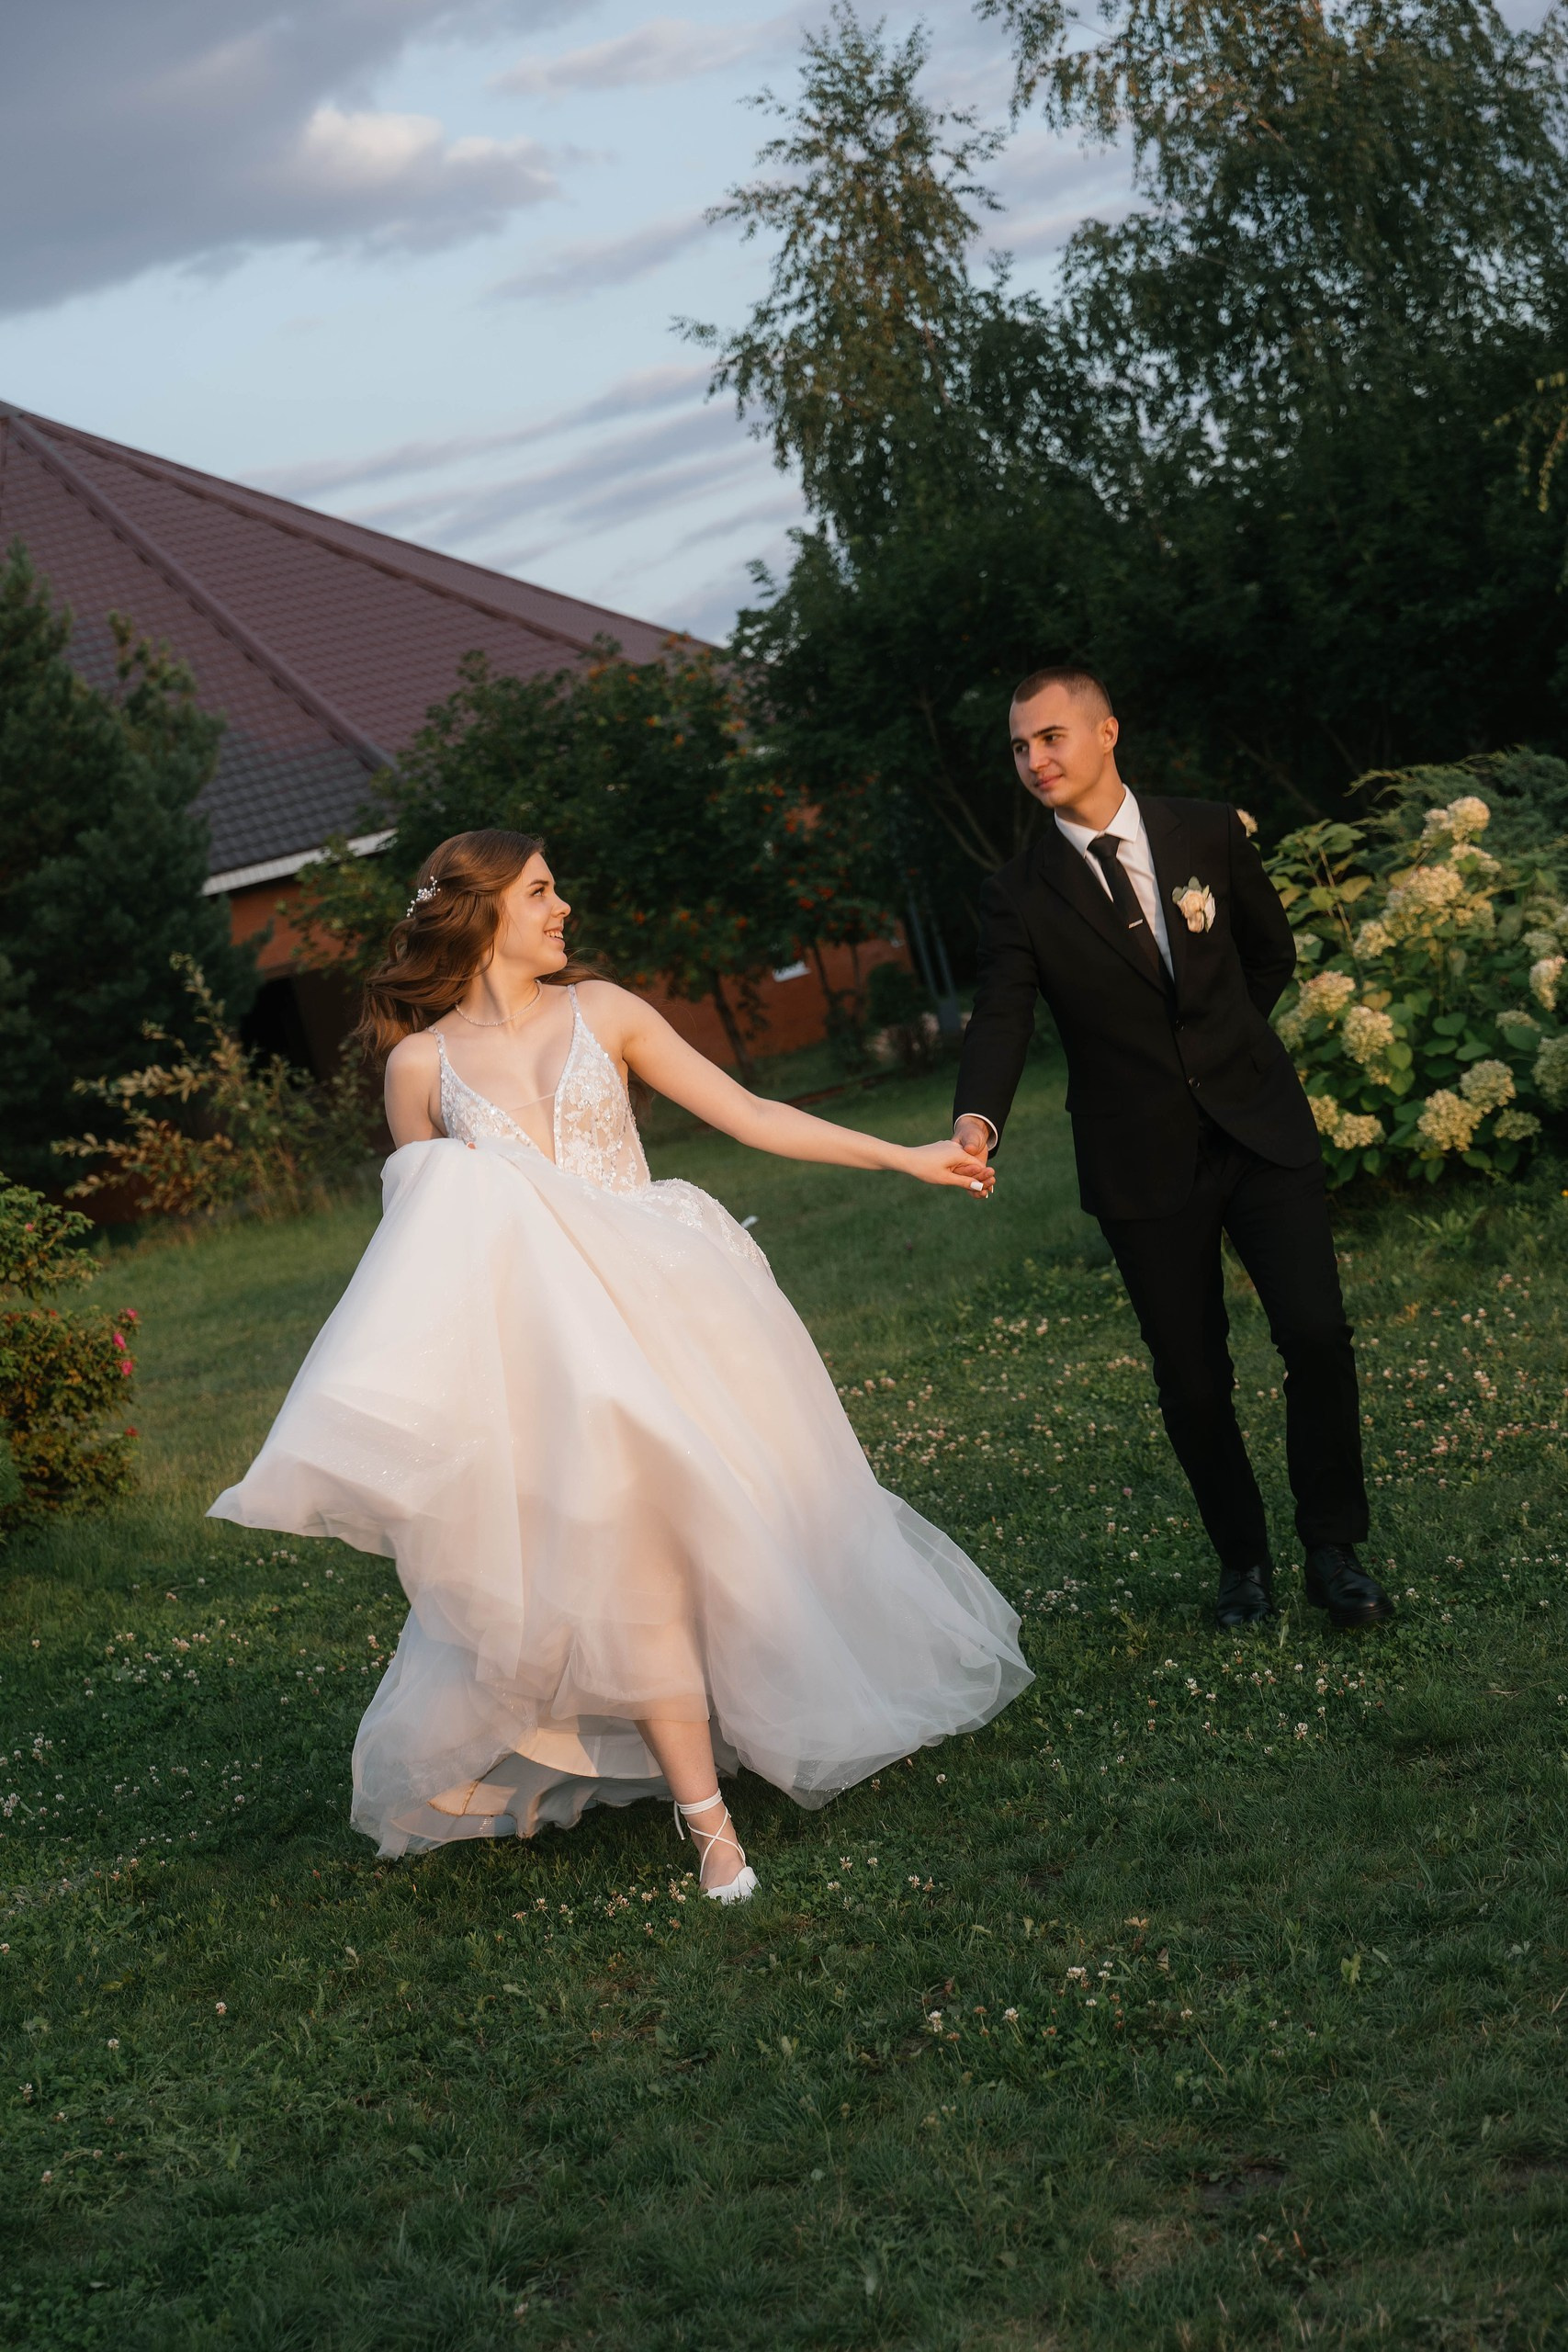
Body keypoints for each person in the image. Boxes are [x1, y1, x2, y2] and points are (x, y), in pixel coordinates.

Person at [211, 828, 1031, 1901]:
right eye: (541, 891)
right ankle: (710, 1824)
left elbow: (749, 1113)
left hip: (669, 1306)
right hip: (548, 1350)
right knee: (627, 1559)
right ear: (481, 910)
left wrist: (902, 1154)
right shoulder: (418, 1069)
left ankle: (778, 1706)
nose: (563, 909)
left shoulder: (607, 1012)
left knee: (737, 1529)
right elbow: (422, 1251)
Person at [953, 668, 1394, 1634]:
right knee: (1192, 1378)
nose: (1035, 759)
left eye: (1052, 737)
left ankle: (1333, 1549)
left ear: (1107, 731)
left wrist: (1222, 1051)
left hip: (1258, 1126)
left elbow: (1268, 953)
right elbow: (1003, 1014)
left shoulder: (1206, 832)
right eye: (1020, 746)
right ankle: (1243, 1562)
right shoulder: (1017, 893)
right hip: (1138, 1157)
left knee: (1316, 1334)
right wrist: (977, 1119)